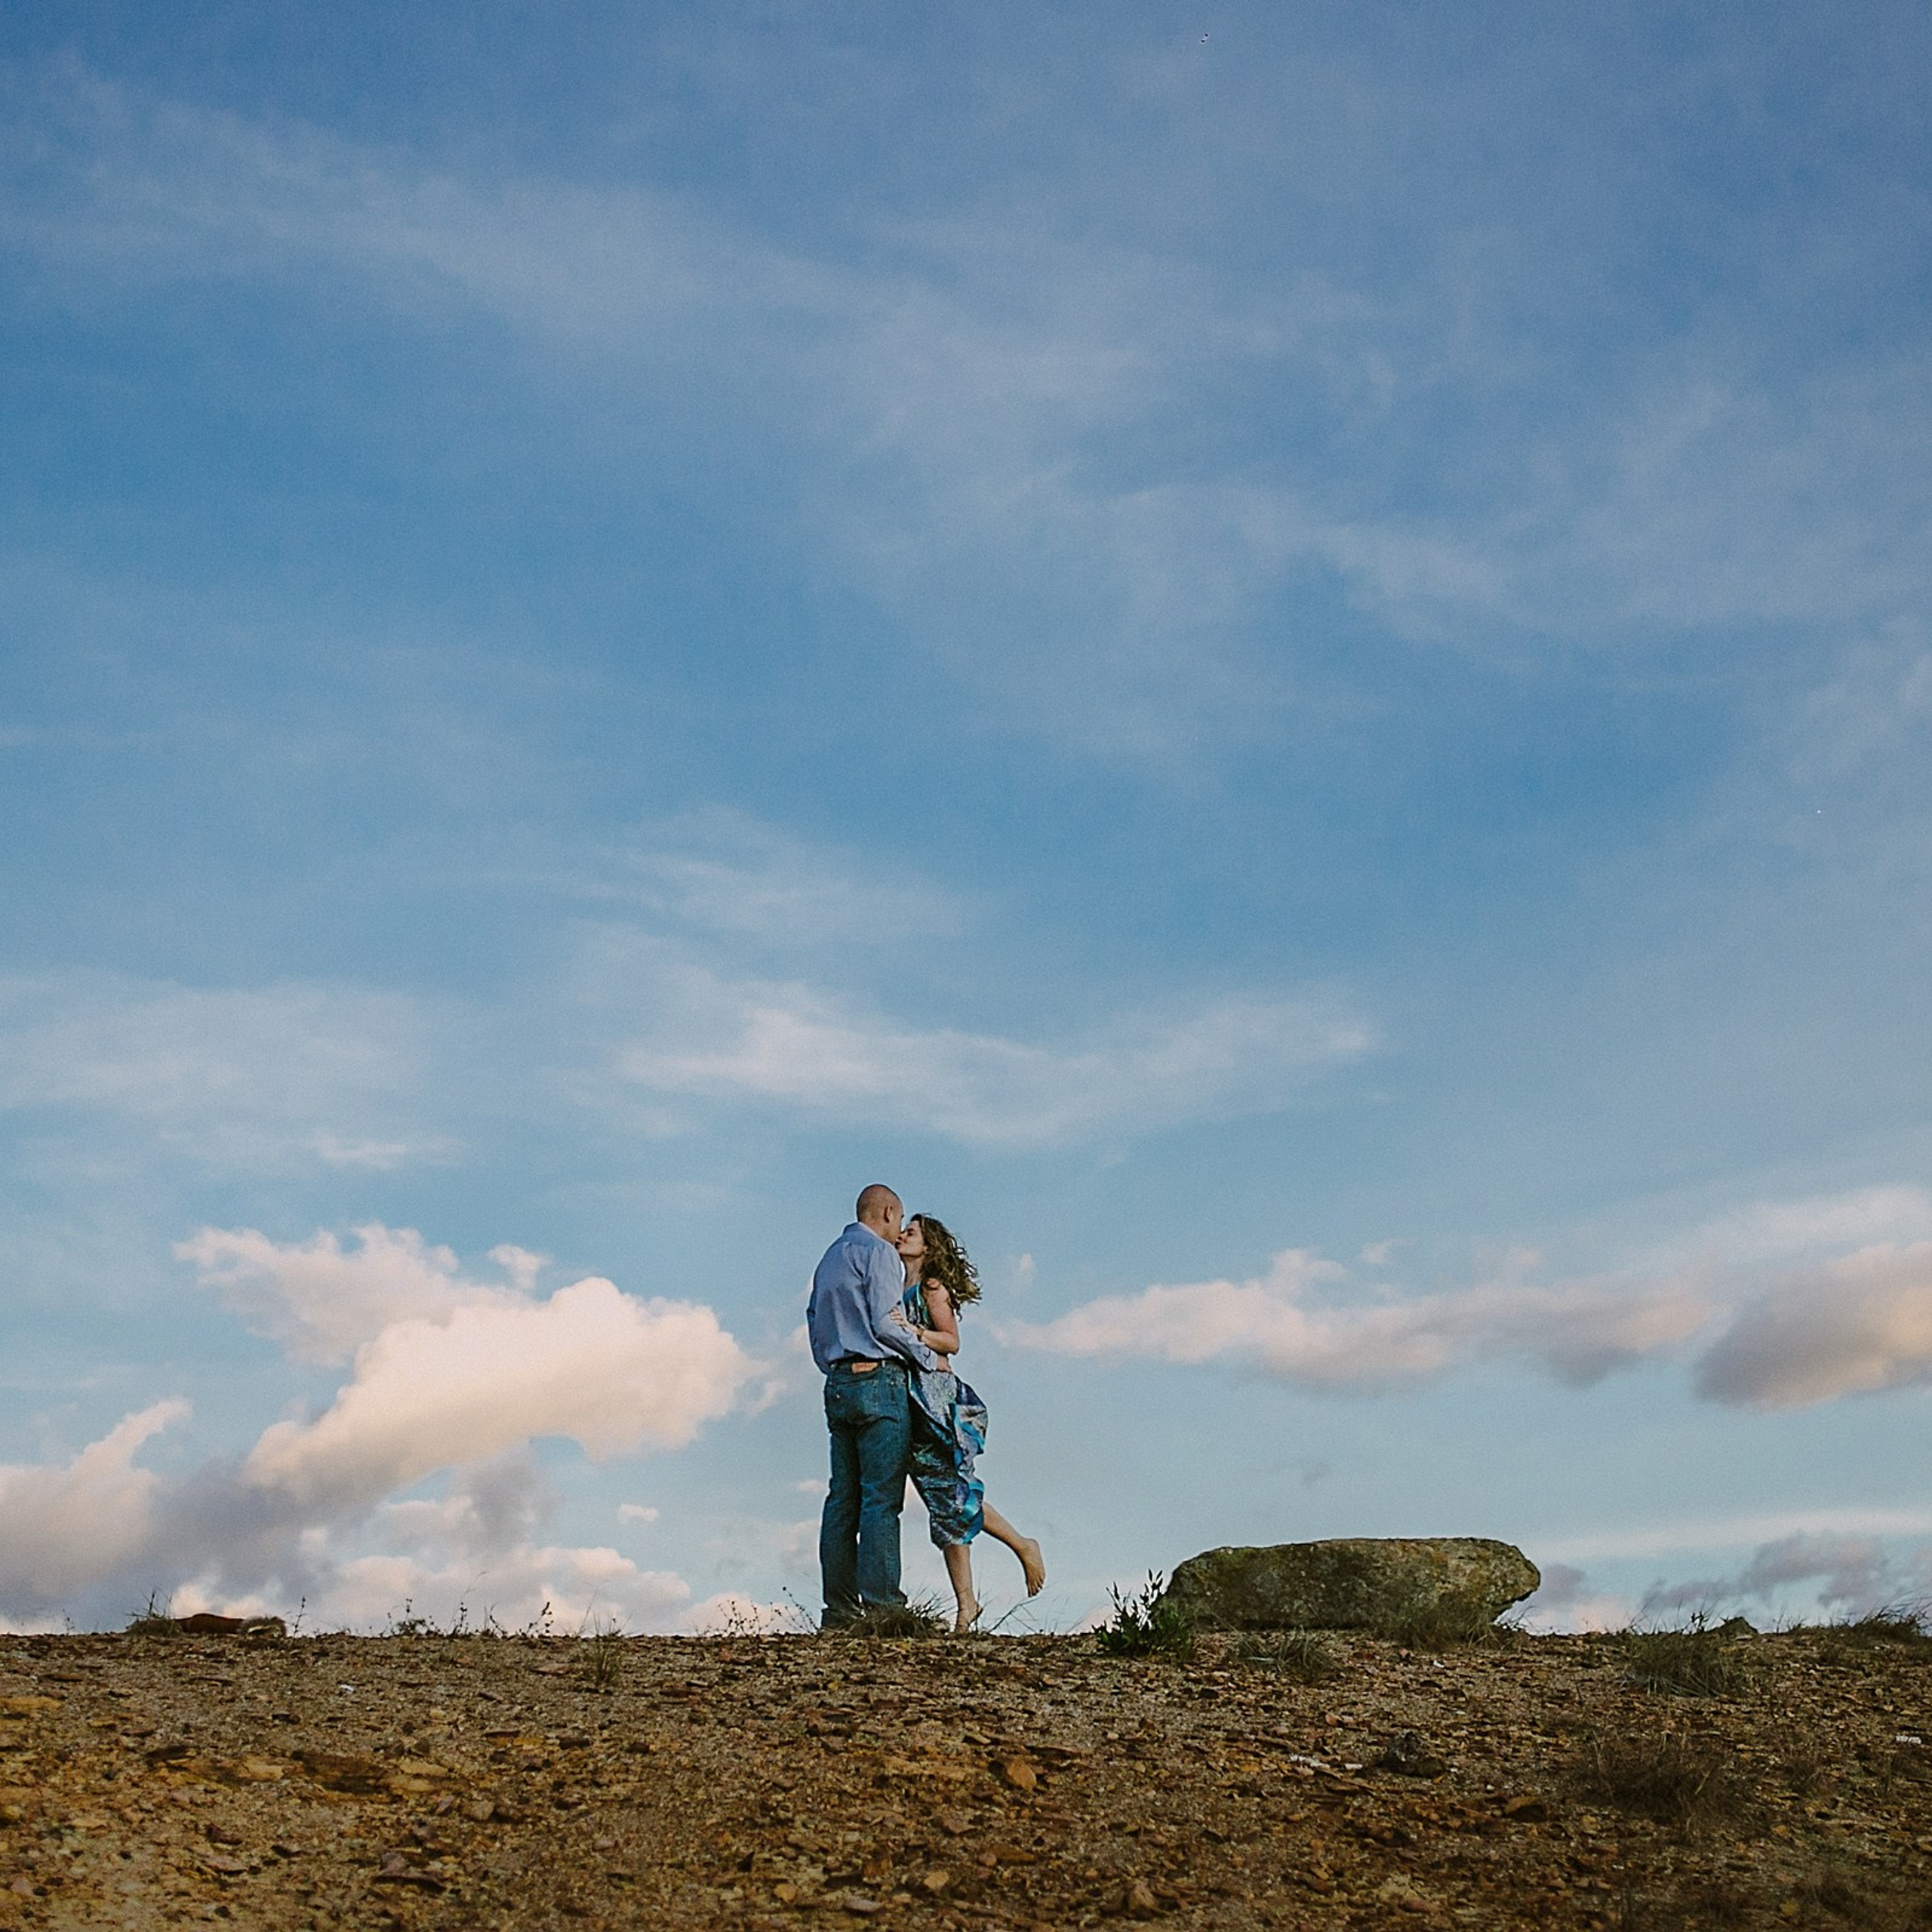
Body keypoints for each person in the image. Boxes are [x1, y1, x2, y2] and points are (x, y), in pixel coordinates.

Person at [895, 1212, 1047, 1632]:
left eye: (912, 1232)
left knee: (954, 1494)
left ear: (928, 1247)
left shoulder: (931, 1288)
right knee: (944, 1505)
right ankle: (968, 1604)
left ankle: (1020, 1547)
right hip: (912, 1400)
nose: (903, 1234)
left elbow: (952, 1342)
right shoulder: (898, 1286)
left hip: (936, 1398)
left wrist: (913, 1331)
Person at [806, 1184, 940, 1629]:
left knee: (842, 1499)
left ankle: (839, 1612)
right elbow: (887, 1321)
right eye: (899, 1221)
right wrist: (927, 1358)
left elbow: (814, 1322)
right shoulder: (879, 1254)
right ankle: (884, 1610)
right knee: (882, 1500)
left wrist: (831, 1364)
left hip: (838, 1383)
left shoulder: (829, 1258)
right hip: (879, 1381)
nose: (899, 1231)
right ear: (886, 1212)